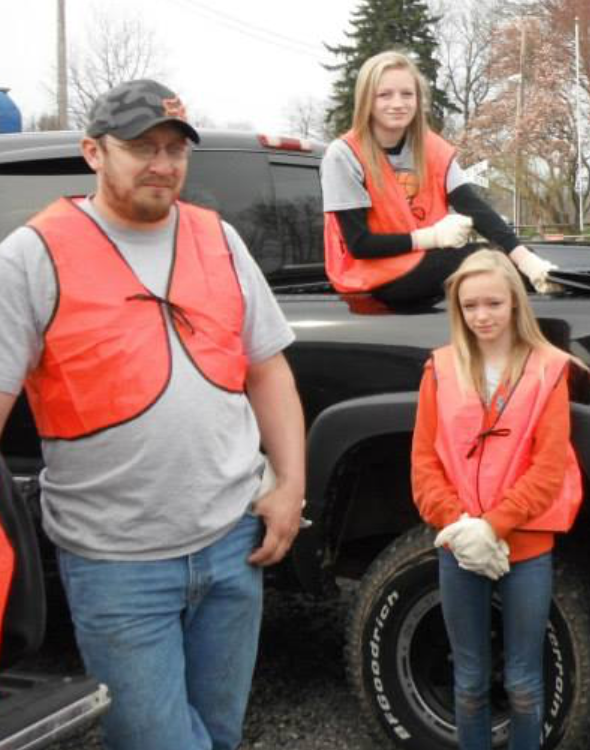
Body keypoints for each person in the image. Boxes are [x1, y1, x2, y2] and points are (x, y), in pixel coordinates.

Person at [0, 79, 305, 750]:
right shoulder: (31, 255)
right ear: (92, 151)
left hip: (233, 544)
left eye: (175, 149)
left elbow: (268, 367)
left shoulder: (218, 238)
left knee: (219, 736)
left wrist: (289, 488)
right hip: (116, 564)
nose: (163, 165)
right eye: (141, 147)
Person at [410, 249, 583, 750]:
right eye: (470, 306)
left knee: (525, 686)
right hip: (459, 545)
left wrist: (494, 526)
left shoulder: (549, 369)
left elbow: (548, 468)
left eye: (493, 303)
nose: (482, 316)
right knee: (468, 686)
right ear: (457, 311)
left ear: (515, 303)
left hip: (525, 549)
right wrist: (463, 527)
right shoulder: (439, 369)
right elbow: (424, 464)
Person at [323, 50, 561, 305]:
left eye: (407, 94)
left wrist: (526, 259)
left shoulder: (431, 147)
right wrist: (432, 237)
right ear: (366, 100)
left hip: (425, 261)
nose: (398, 103)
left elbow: (474, 208)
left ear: (418, 99)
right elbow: (359, 245)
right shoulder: (344, 154)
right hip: (373, 274)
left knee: (508, 261)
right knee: (488, 267)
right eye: (384, 95)